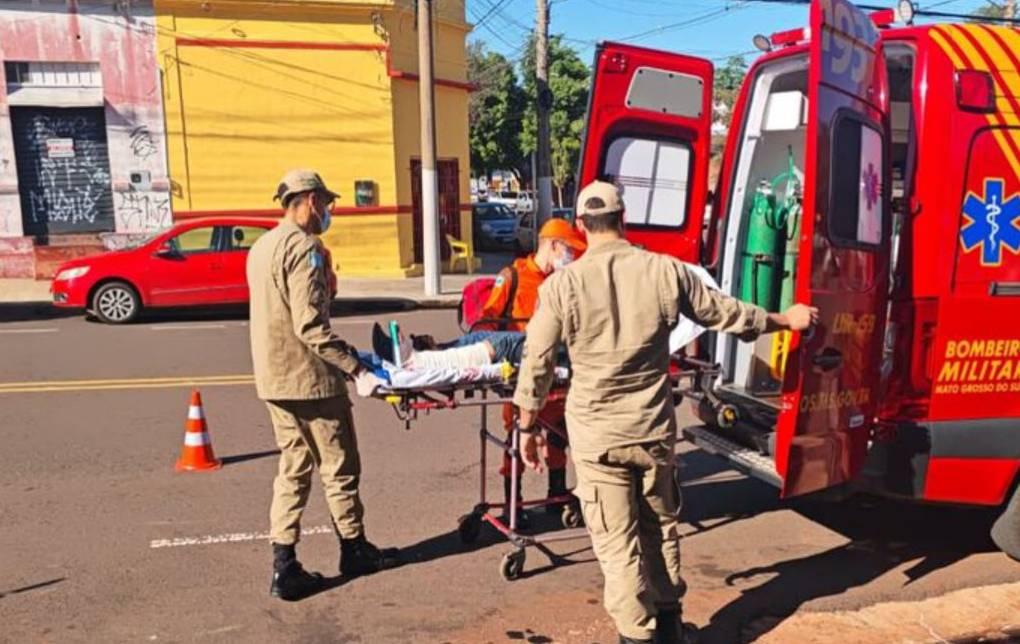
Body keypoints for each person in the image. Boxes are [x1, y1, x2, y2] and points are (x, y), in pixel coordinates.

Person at [513, 181, 818, 644]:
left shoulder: (562, 286)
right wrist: (784, 319)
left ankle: (637, 637)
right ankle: (671, 627)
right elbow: (726, 314)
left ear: (580, 227)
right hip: (651, 431)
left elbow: (536, 361)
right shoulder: (664, 271)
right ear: (624, 219)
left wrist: (527, 426)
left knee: (619, 548)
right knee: (660, 529)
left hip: (598, 440)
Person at [247, 169, 400, 601]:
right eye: (327, 204)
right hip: (310, 381)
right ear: (311, 200)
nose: (328, 212)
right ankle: (354, 549)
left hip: (273, 379)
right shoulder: (305, 248)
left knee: (293, 470)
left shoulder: (261, 246)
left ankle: (284, 565)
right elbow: (311, 327)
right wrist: (358, 368)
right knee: (340, 468)